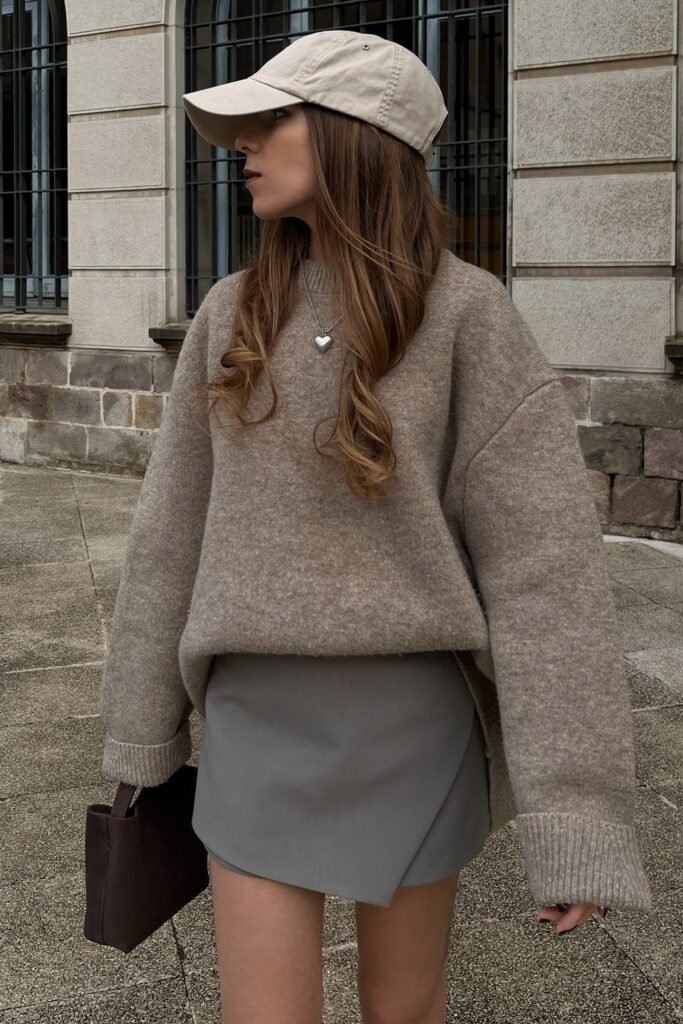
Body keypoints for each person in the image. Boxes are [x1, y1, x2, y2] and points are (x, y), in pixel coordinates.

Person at [99, 29, 652, 1024]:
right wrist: (141, 744)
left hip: (413, 729)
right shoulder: (230, 318)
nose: (242, 143)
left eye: (271, 119)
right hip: (254, 726)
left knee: (405, 1011)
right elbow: (165, 546)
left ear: (356, 135)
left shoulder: (468, 320)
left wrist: (575, 817)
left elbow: (545, 577)